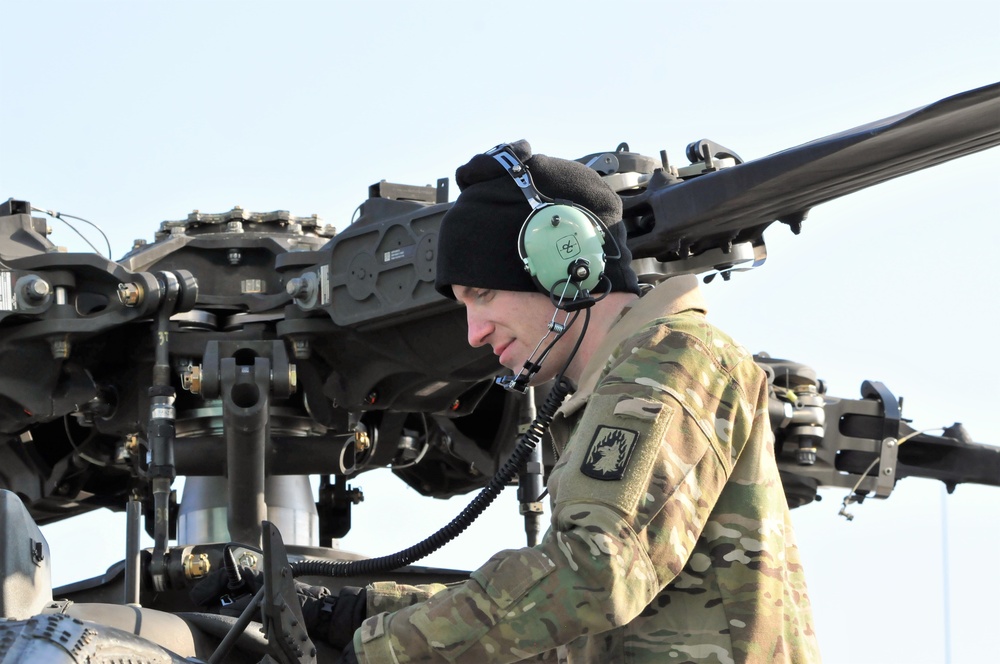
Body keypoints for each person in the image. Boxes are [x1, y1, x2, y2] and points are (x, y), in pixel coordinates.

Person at [196, 140, 821, 662]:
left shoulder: (672, 361)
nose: (473, 334)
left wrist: (379, 650)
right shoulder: (612, 390)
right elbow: (558, 625)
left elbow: (593, 575)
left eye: (482, 295)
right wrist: (357, 610)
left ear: (564, 265)